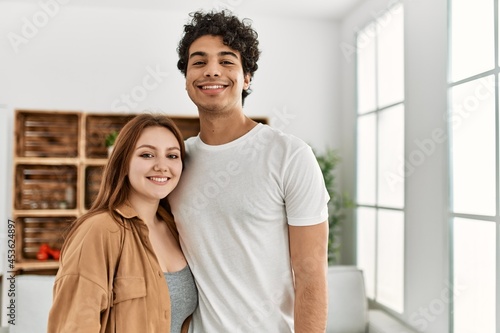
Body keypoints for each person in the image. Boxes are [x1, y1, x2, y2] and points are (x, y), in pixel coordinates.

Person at [169, 10, 330, 332]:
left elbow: (311, 274)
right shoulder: (175, 163)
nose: (211, 71)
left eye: (227, 61)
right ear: (186, 78)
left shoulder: (289, 155)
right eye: (198, 62)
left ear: (246, 77)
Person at [47, 114, 197, 333]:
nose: (162, 166)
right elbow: (73, 325)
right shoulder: (99, 230)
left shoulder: (176, 230)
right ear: (123, 163)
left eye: (172, 156)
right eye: (147, 155)